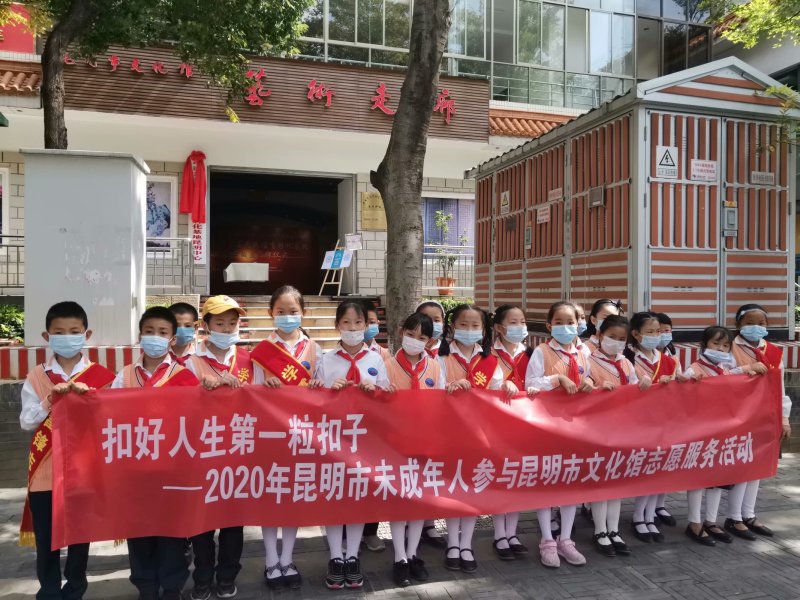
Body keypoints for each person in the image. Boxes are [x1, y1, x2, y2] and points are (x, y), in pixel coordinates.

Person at [19, 301, 116, 600]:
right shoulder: (37, 376)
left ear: (87, 335)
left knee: (79, 537)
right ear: (46, 337)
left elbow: (112, 421)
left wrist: (92, 402)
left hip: (83, 470)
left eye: (74, 331)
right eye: (59, 332)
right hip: (45, 473)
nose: (67, 337)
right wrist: (50, 399)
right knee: (46, 539)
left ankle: (75, 589)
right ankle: (49, 591)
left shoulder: (102, 376)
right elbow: (26, 421)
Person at [112, 306, 199, 600]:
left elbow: (195, 418)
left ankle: (172, 587)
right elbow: (109, 416)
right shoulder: (124, 375)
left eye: (162, 332)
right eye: (149, 331)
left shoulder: (185, 375)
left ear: (172, 339)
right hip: (135, 470)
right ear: (140, 335)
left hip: (172, 469)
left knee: (171, 532)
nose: (155, 337)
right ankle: (146, 586)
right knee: (139, 532)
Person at [250, 285, 322, 590]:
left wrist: (318, 386)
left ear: (303, 312)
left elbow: (324, 391)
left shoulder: (315, 348)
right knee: (271, 496)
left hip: (302, 434)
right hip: (271, 433)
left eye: (293, 311)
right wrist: (263, 388)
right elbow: (251, 392)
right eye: (281, 311)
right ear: (271, 313)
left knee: (293, 496)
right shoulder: (261, 351)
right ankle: (271, 560)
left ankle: (288, 558)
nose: (287, 316)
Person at [314, 300, 390, 590]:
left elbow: (387, 396)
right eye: (346, 322)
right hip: (335, 438)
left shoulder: (377, 359)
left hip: (366, 440)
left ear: (366, 325)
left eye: (359, 323)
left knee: (359, 496)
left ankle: (353, 556)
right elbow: (314, 398)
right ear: (337, 326)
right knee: (335, 495)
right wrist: (328, 391)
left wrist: (376, 391)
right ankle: (336, 556)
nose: (353, 328)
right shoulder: (326, 359)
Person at [184, 296, 252, 600]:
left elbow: (260, 402)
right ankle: (202, 577)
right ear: (206, 326)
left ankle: (227, 576)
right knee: (201, 521)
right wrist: (201, 391)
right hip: (202, 452)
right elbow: (178, 405)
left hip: (238, 452)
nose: (227, 328)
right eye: (220, 323)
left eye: (232, 323)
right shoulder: (191, 361)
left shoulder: (248, 360)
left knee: (233, 522)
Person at [524, 301, 593, 568]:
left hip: (576, 427)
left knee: (570, 483)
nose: (566, 327)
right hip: (547, 425)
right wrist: (556, 380)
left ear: (579, 324)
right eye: (559, 322)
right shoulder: (542, 351)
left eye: (571, 322)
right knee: (548, 482)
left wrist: (589, 382)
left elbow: (591, 378)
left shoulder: (584, 351)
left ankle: (565, 539)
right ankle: (547, 540)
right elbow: (530, 384)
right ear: (549, 325)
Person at [683, 326, 763, 547]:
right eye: (715, 344)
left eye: (725, 345)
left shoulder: (725, 368)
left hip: (722, 432)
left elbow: (734, 376)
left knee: (717, 478)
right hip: (700, 432)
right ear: (704, 345)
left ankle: (711, 521)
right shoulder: (693, 370)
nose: (720, 349)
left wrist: (749, 369)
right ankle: (694, 522)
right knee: (698, 480)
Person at [438, 303, 503, 573]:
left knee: (472, 489)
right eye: (463, 324)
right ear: (453, 326)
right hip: (450, 433)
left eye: (475, 325)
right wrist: (449, 389)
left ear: (484, 330)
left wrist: (507, 387)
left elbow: (497, 393)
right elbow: (432, 390)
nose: (469, 329)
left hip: (480, 433)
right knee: (454, 488)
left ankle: (466, 544)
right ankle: (452, 543)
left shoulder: (491, 361)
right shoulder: (440, 357)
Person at [383, 312, 444, 586]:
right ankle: (399, 557)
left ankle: (412, 553)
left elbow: (441, 403)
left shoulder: (435, 367)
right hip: (395, 444)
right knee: (400, 500)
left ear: (429, 341)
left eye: (422, 337)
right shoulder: (387, 365)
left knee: (418, 499)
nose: (415, 341)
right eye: (410, 334)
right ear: (401, 332)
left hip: (425, 443)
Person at [726, 303, 791, 540]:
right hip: (738, 415)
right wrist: (746, 370)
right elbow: (722, 378)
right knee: (741, 466)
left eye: (761, 323)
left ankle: (749, 514)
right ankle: (734, 518)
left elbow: (779, 386)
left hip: (765, 415)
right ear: (738, 324)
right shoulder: (729, 347)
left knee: (758, 466)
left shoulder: (772, 351)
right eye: (750, 323)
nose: (756, 327)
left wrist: (784, 417)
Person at [587, 315, 650, 557]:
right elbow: (583, 387)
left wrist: (642, 384)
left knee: (617, 482)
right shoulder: (589, 360)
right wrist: (595, 388)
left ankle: (613, 529)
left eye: (622, 339)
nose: (616, 342)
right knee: (601, 482)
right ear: (600, 335)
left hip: (622, 429)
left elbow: (633, 389)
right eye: (611, 337)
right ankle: (599, 530)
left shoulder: (626, 363)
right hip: (597, 430)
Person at [624, 311, 683, 544]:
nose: (655, 335)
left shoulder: (668, 360)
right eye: (649, 331)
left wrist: (677, 382)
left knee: (657, 470)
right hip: (637, 421)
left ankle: (650, 516)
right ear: (636, 334)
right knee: (643, 470)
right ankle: (638, 517)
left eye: (658, 331)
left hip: (663, 421)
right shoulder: (627, 357)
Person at [490, 304, 534, 560]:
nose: (520, 327)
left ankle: (512, 533)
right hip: (498, 422)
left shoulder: (531, 353)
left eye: (522, 322)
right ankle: (499, 534)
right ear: (499, 327)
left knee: (518, 477)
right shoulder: (488, 355)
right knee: (501, 477)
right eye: (513, 322)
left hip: (526, 421)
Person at [413, 300, 448, 548]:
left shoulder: (448, 352)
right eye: (426, 318)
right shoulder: (411, 349)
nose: (432, 324)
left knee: (436, 472)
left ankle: (430, 522)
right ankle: (413, 521)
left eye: (437, 319)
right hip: (414, 424)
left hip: (442, 422)